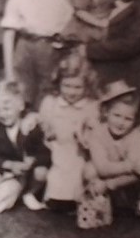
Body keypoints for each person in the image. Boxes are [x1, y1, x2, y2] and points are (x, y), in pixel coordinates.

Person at [79, 82, 140, 230]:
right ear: (106, 112)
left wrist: (109, 185)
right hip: (108, 173)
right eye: (116, 115)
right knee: (89, 169)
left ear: (135, 120)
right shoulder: (98, 133)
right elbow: (103, 168)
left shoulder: (136, 135)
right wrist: (130, 166)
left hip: (127, 181)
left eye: (128, 119)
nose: (121, 123)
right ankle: (102, 203)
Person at [1, 0, 75, 107]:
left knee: (49, 96)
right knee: (21, 96)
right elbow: (8, 34)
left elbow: (72, 31)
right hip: (25, 50)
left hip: (52, 52)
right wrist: (9, 73)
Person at [0, 81, 50, 213]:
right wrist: (8, 164)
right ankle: (10, 193)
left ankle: (30, 192)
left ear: (20, 105)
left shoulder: (31, 124)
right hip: (7, 171)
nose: (2, 114)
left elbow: (45, 152)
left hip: (29, 171)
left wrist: (33, 160)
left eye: (6, 108)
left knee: (41, 172)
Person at [38, 50, 99, 209]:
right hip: (55, 150)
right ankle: (52, 196)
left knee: (78, 171)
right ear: (58, 83)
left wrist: (85, 138)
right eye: (67, 86)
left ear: (87, 86)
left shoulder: (91, 106)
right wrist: (46, 132)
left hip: (79, 152)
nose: (71, 92)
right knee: (56, 173)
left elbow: (95, 136)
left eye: (78, 87)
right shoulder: (51, 102)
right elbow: (42, 130)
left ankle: (77, 199)